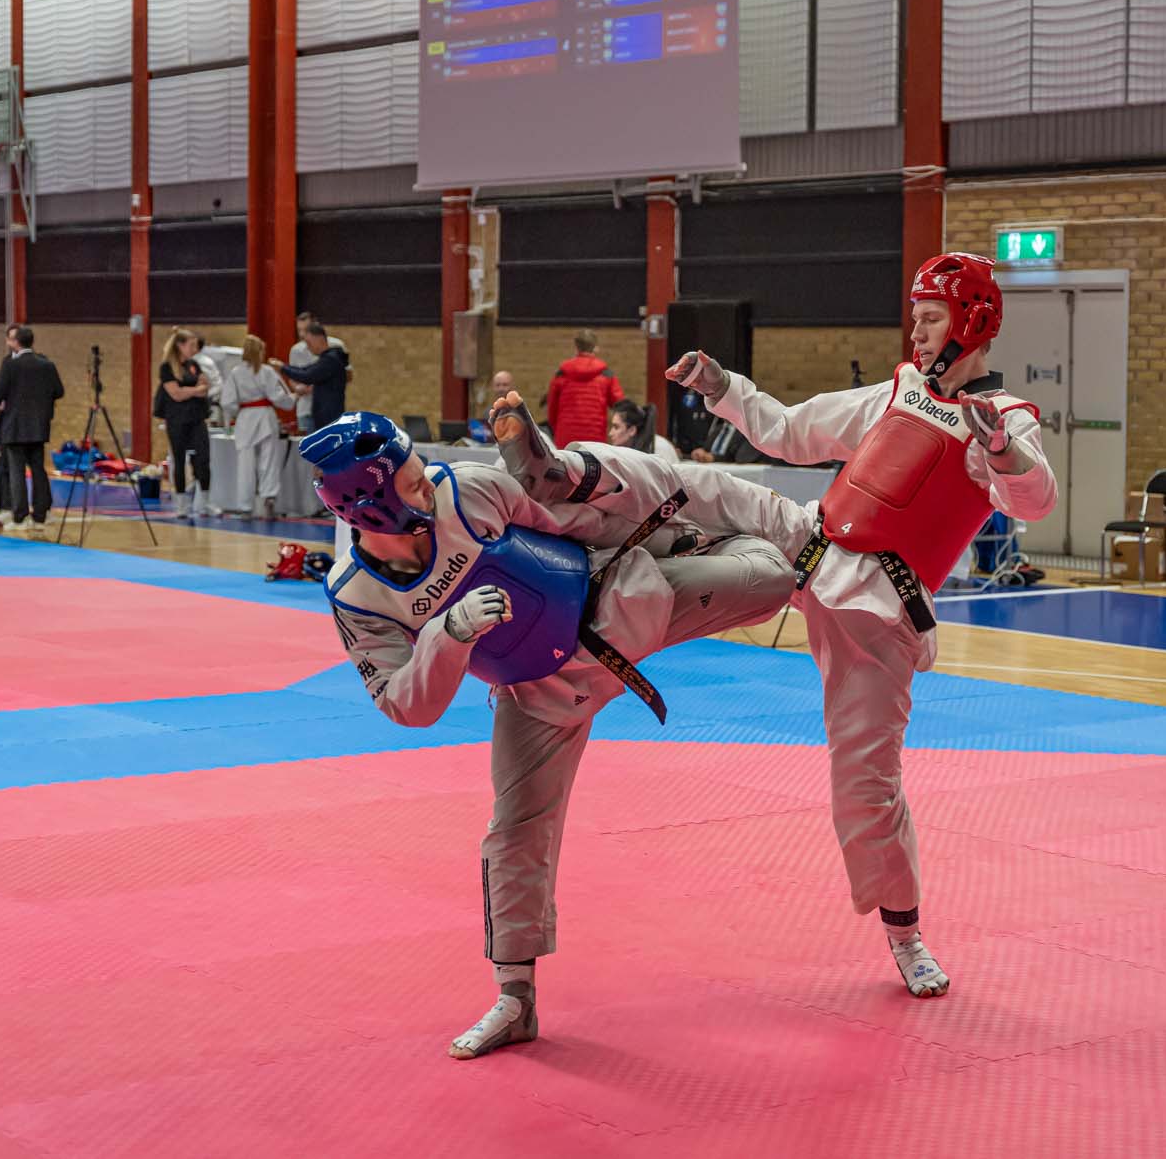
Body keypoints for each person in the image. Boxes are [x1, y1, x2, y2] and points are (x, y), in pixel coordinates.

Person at [305, 412, 793, 1059]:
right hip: (537, 690)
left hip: (617, 606)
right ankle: (515, 1000)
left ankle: (723, 537)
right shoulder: (358, 596)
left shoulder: (467, 490)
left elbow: (571, 520)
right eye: (413, 483)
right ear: (372, 507)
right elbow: (406, 704)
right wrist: (449, 635)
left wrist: (666, 539)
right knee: (514, 830)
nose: (429, 483)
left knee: (774, 577)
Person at [663, 253, 1057, 999]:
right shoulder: (898, 391)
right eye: (915, 317)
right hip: (809, 543)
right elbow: (789, 430)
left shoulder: (1005, 421)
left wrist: (1001, 449)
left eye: (931, 318)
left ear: (972, 323)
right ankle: (567, 490)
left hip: (880, 611)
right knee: (703, 485)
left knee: (865, 786)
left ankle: (905, 935)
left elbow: (1035, 499)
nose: (917, 331)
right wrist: (722, 387)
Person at [0, 324, 65, 538]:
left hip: (15, 427)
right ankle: (41, 515)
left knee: (16, 472)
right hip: (38, 427)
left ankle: (20, 516)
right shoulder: (47, 365)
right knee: (38, 470)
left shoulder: (11, 365)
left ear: (16, 342)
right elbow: (58, 391)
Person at [223, 334, 296, 520]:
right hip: (265, 416)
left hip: (245, 419)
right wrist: (293, 398)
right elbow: (280, 397)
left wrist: (236, 411)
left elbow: (228, 402)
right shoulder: (267, 372)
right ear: (260, 352)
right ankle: (269, 499)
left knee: (245, 465)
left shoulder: (235, 373)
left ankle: (245, 506)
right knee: (269, 462)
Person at [157, 329, 216, 519]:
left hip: (197, 418)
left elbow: (205, 388)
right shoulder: (167, 368)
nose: (194, 349)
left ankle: (204, 503)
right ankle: (181, 504)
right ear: (180, 346)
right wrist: (194, 390)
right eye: (191, 345)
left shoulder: (194, 365)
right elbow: (176, 394)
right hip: (177, 420)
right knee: (179, 460)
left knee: (203, 459)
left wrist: (189, 390)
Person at [546, 329, 624, 446]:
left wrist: (556, 429)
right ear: (595, 347)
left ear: (576, 347)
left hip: (566, 436)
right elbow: (620, 405)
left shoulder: (562, 374)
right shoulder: (606, 374)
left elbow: (552, 409)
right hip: (595, 438)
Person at [278, 322, 350, 431]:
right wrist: (283, 366)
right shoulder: (327, 358)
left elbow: (307, 376)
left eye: (309, 342)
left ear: (319, 339)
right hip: (325, 415)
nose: (308, 347)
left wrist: (282, 368)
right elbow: (305, 369)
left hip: (329, 416)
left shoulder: (331, 360)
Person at [607, 398, 680, 463]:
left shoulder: (660, 447)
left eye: (616, 427)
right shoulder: (629, 449)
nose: (610, 433)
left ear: (632, 430)